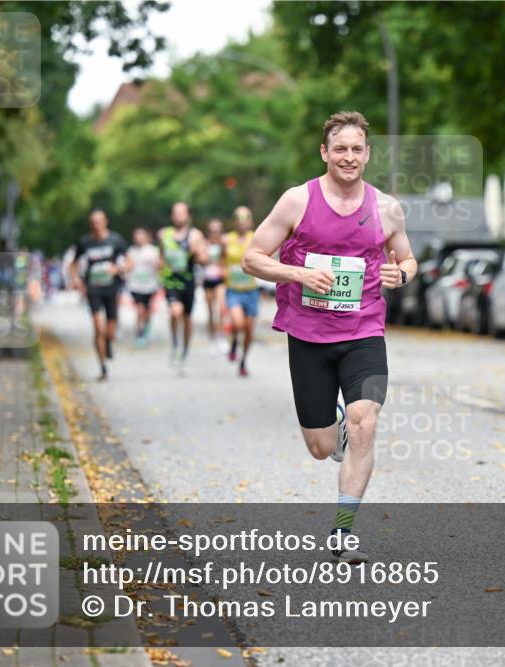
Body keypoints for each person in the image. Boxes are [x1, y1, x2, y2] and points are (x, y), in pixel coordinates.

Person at [242, 111, 417, 563]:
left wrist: (401, 274)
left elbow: (407, 259)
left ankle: (342, 532)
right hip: (308, 334)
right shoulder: (297, 201)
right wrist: (299, 274)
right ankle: (333, 428)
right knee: (321, 448)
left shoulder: (387, 208)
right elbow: (252, 258)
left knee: (365, 422)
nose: (348, 157)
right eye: (340, 148)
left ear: (368, 154)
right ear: (324, 152)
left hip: (364, 330)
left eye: (357, 149)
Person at [69, 210, 128, 381]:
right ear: (90, 224)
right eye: (93, 222)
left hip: (112, 288)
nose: (96, 225)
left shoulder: (115, 240)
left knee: (110, 331)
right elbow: (73, 264)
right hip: (93, 288)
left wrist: (118, 269)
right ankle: (102, 367)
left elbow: (129, 261)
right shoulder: (85, 242)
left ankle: (108, 341)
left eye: (99, 221)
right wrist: (76, 279)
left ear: (105, 221)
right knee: (98, 329)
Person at [158, 201, 208, 374]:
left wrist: (196, 252)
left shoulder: (195, 235)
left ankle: (185, 351)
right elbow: (161, 258)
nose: (178, 216)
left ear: (188, 216)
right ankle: (175, 344)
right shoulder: (164, 234)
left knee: (187, 318)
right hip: (171, 282)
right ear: (172, 216)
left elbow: (204, 260)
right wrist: (160, 267)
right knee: (175, 312)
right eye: (175, 213)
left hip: (188, 282)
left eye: (182, 213)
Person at [223, 206, 261, 376]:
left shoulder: (256, 238)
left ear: (251, 221)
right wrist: (223, 270)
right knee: (238, 323)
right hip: (233, 289)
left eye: (246, 218)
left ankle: (243, 360)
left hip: (251, 290)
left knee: (248, 329)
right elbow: (221, 259)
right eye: (239, 218)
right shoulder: (227, 239)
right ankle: (233, 343)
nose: (242, 221)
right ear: (234, 221)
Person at [125, 227, 160, 347]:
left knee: (148, 310)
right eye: (136, 236)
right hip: (135, 285)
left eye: (141, 236)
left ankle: (147, 327)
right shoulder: (131, 251)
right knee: (140, 309)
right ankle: (140, 334)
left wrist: (156, 264)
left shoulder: (153, 251)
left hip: (150, 285)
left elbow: (160, 266)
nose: (138, 238)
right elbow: (126, 266)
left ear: (146, 237)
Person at [203, 219, 228, 354]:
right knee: (211, 312)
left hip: (220, 280)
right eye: (212, 231)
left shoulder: (223, 244)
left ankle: (222, 337)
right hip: (208, 280)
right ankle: (212, 339)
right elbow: (200, 260)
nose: (215, 234)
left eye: (217, 231)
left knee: (221, 309)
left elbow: (227, 260)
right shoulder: (205, 244)